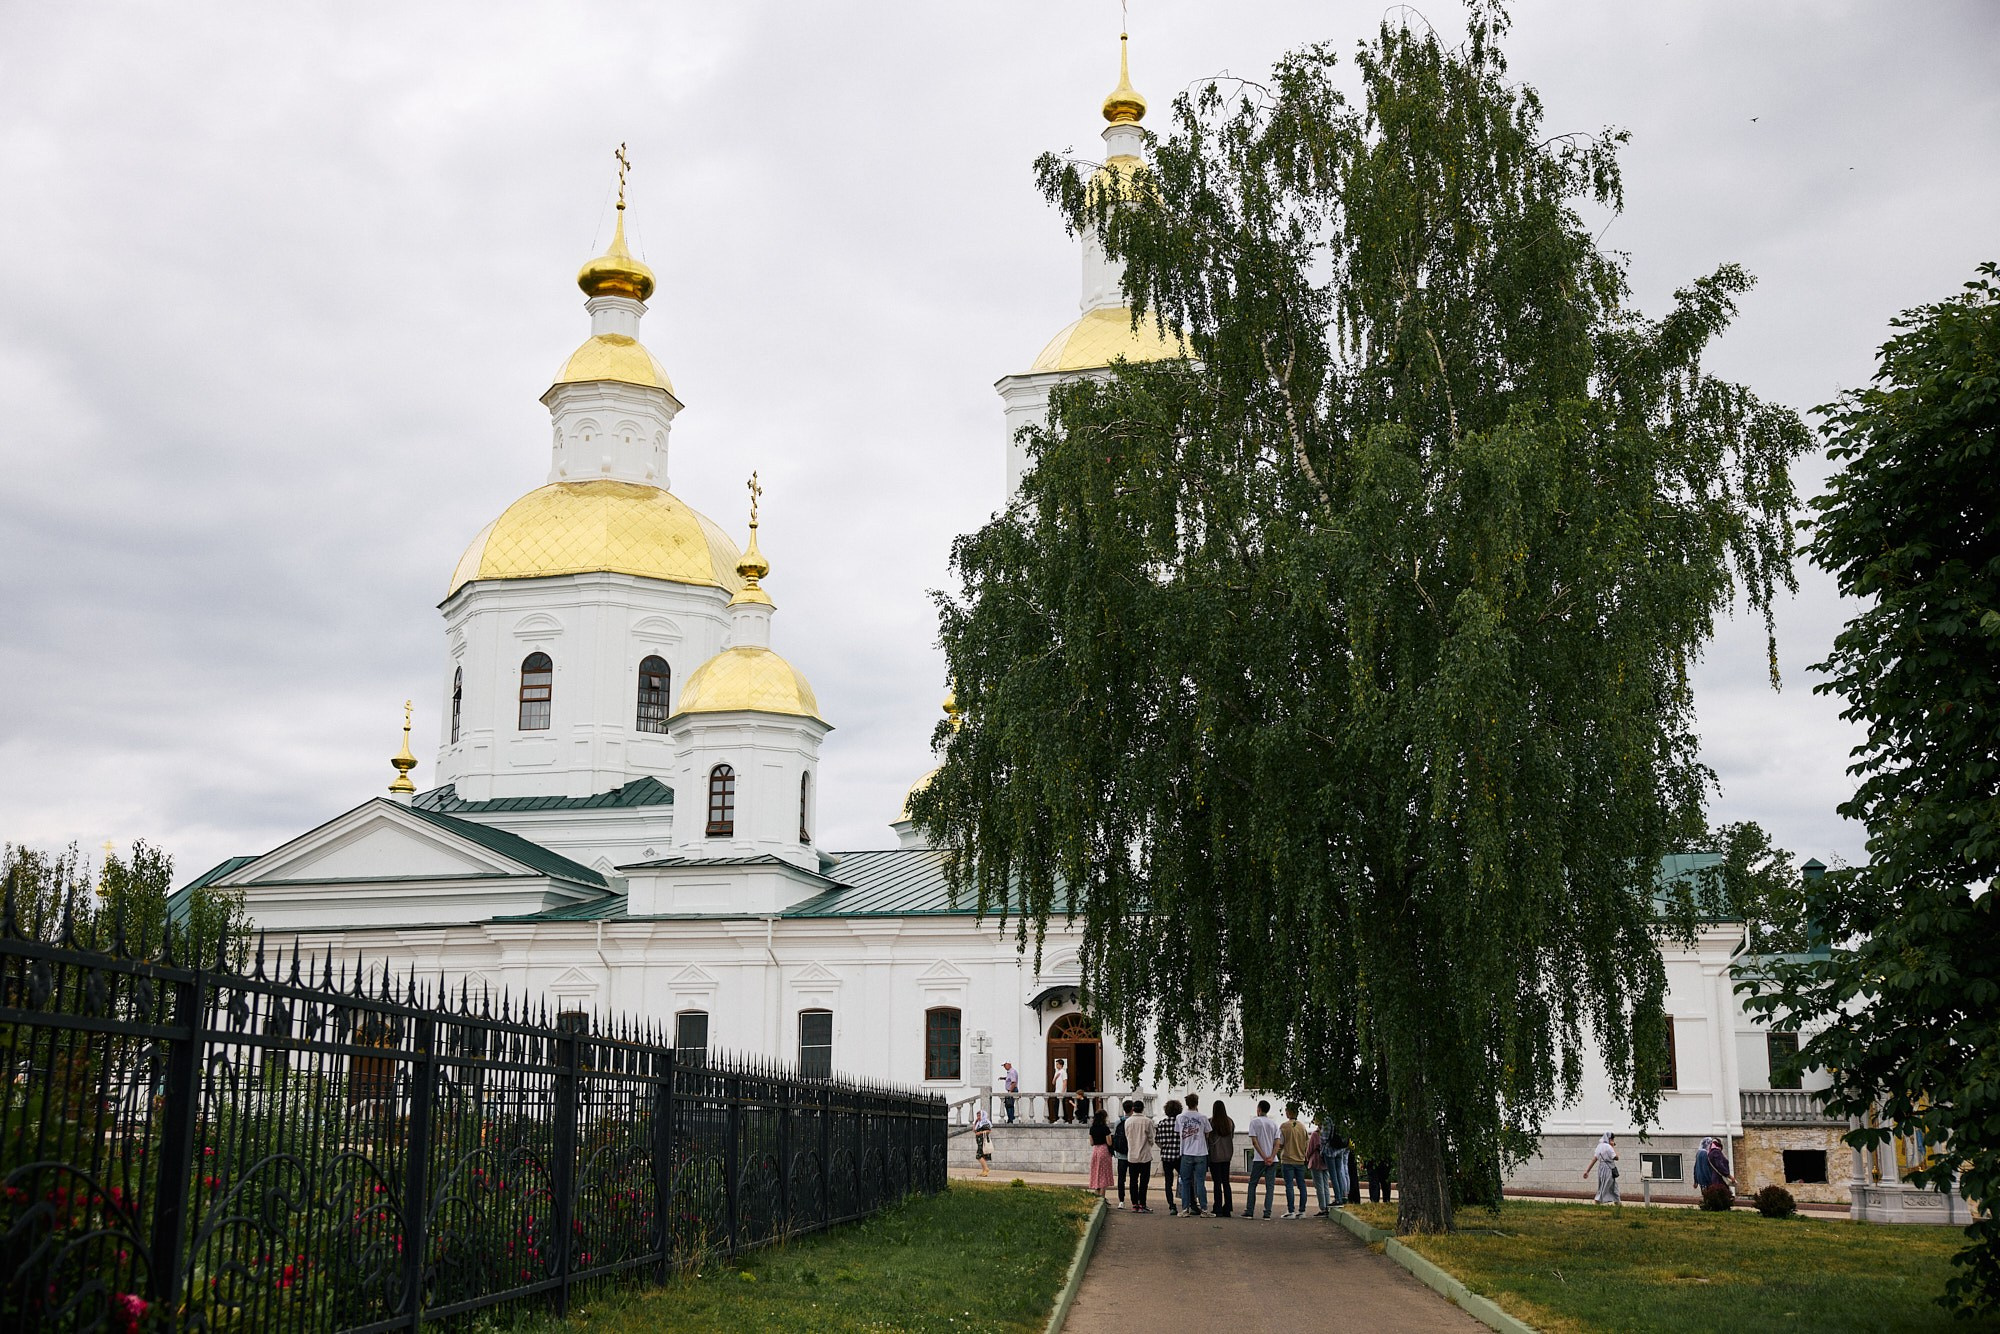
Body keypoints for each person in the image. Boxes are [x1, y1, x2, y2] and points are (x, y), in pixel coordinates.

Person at [1176, 1092, 1212, 1217]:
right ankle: (1204, 1209)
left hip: (1186, 1152)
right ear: (1197, 1103)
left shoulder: (1180, 1117)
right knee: (1200, 1181)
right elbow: (1208, 1133)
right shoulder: (1203, 1117)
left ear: (1186, 1103)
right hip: (1201, 1152)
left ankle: (1185, 1209)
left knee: (1185, 1181)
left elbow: (1178, 1132)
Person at [1243, 1100, 1280, 1219]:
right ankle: (1267, 1212)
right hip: (1273, 1160)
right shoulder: (1274, 1124)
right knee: (1270, 1186)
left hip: (1259, 1159)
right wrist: (1271, 1157)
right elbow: (1277, 1143)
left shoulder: (1254, 1122)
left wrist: (1264, 1156)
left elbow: (1255, 1142)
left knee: (1253, 1184)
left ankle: (1250, 1210)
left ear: (1259, 1109)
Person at [1278, 1103, 1310, 1218]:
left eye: (1286, 1110)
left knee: (1289, 1185)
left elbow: (1280, 1143)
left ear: (1289, 1112)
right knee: (1302, 1185)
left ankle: (1291, 1210)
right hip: (1300, 1160)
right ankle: (1302, 1211)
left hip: (1287, 1159)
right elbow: (1306, 1143)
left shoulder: (1284, 1126)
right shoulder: (1302, 1127)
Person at [1124, 1099, 1157, 1212]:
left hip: (1132, 1155)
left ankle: (1134, 1204)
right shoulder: (1147, 1121)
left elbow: (1127, 1136)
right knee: (1144, 1182)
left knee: (1133, 1181)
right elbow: (1152, 1138)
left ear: (1133, 1109)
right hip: (1145, 1156)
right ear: (1143, 1109)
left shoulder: (1128, 1121)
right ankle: (1142, 1204)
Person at [1207, 1100, 1236, 1218]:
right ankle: (1228, 1207)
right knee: (1226, 1182)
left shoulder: (1211, 1122)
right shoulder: (1229, 1122)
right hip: (1227, 1155)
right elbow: (1232, 1136)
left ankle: (1217, 1207)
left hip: (1215, 1156)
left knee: (1217, 1183)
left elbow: (1208, 1139)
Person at [1156, 1100, 1183, 1216]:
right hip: (1179, 1156)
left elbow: (1158, 1141)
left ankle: (1172, 1206)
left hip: (1166, 1156)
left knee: (1168, 1182)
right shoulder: (1181, 1123)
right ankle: (1190, 1203)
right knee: (1186, 1180)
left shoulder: (1162, 1123)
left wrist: (1165, 1147)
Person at [1583, 1131, 1620, 1204]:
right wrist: (1612, 1146)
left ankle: (1617, 1203)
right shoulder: (1608, 1147)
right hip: (1609, 1169)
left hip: (1601, 1169)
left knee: (1608, 1186)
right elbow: (1616, 1157)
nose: (1612, 1141)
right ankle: (1597, 1201)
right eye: (1612, 1139)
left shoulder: (1599, 1146)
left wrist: (1587, 1171)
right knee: (1607, 1186)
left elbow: (1594, 1159)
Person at [1088, 1108, 1115, 1200]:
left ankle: (1097, 1196)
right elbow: (1109, 1143)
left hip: (1096, 1150)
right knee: (1103, 1174)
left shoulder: (1092, 1128)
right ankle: (1102, 1197)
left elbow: (1091, 1143)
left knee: (1096, 1172)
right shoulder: (1105, 1128)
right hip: (1104, 1150)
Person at [1306, 1117, 1330, 1216]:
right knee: (1326, 1185)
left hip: (1316, 1161)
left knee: (1319, 1186)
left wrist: (1307, 1157)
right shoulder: (1328, 1133)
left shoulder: (1316, 1134)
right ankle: (1328, 1206)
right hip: (1326, 1162)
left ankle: (1323, 1208)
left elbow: (1310, 1149)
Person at [1112, 1100, 1132, 1208]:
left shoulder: (1118, 1122)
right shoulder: (1133, 1121)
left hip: (1120, 1154)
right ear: (1132, 1109)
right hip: (1133, 1153)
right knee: (1134, 1178)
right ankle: (1135, 1201)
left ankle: (1121, 1201)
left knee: (1121, 1178)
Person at [972, 1106, 994, 1177]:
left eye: (979, 1115)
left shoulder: (985, 1122)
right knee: (982, 1156)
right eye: (977, 1115)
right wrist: (975, 1122)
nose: (978, 1116)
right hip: (979, 1141)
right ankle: (984, 1171)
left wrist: (980, 1133)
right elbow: (974, 1130)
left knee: (978, 1156)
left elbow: (989, 1130)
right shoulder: (979, 1123)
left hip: (983, 1141)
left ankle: (986, 1169)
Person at [1052, 1058, 1070, 1123]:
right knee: (1056, 1106)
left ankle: (1065, 1119)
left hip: (1061, 1092)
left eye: (1057, 1064)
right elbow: (1053, 1083)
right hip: (1057, 1092)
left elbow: (1065, 1082)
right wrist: (1056, 1077)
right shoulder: (1057, 1072)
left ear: (1061, 1065)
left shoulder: (1063, 1072)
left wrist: (1063, 1091)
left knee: (1062, 1106)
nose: (1056, 1066)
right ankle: (1057, 1119)